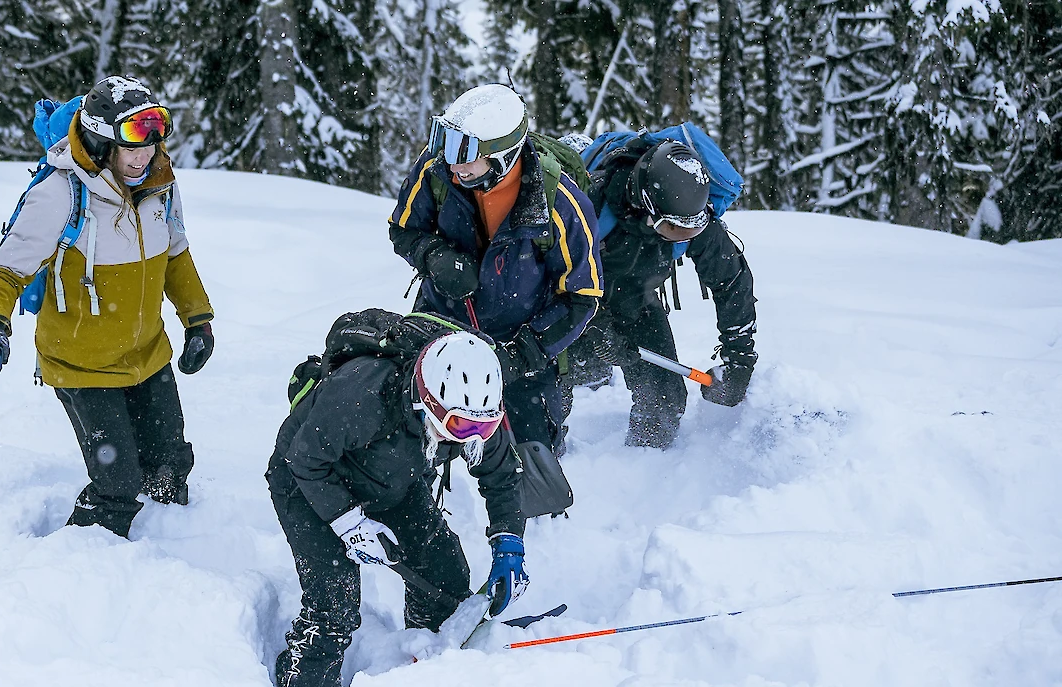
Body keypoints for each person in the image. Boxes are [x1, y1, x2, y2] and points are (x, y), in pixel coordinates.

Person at [0, 76, 215, 538]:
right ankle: (76, 569)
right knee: (117, 485)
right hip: (82, 364)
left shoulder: (160, 184)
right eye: (134, 141)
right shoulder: (61, 193)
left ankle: (174, 557)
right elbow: (6, 269)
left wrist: (197, 319)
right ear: (102, 140)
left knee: (170, 470)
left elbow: (176, 254)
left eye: (155, 136)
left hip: (147, 355)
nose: (147, 153)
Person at [266, 320, 528, 687]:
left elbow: (502, 476)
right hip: (308, 481)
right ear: (427, 400)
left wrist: (509, 542)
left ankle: (425, 664)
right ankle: (304, 676)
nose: (470, 437)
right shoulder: (360, 394)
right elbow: (305, 460)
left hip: (393, 479)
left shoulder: (474, 408)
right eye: (457, 425)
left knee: (445, 576)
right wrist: (349, 523)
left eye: (481, 429)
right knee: (335, 607)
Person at [388, 84, 603, 465]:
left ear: (502, 158)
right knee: (410, 434)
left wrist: (522, 355)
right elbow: (404, 228)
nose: (454, 164)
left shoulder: (561, 205)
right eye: (447, 145)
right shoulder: (436, 169)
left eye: (465, 154)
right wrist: (434, 256)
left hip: (521, 340)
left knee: (532, 451)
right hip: (441, 320)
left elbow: (582, 296)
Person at [562, 139, 757, 448]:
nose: (683, 237)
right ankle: (551, 468)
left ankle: (647, 465)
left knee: (665, 399)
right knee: (547, 393)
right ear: (645, 206)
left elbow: (731, 281)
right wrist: (597, 329)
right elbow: (552, 281)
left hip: (636, 301)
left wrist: (739, 358)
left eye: (690, 231)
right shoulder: (587, 204)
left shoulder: (690, 213)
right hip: (574, 304)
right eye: (672, 230)